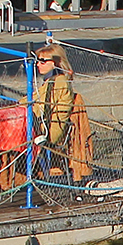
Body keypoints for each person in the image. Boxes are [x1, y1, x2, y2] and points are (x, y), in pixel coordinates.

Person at [29, 39, 90, 183]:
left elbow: (38, 102)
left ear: (55, 62)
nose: (38, 64)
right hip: (43, 123)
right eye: (37, 61)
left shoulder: (59, 81)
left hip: (50, 129)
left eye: (42, 61)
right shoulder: (51, 81)